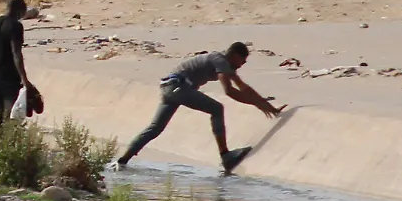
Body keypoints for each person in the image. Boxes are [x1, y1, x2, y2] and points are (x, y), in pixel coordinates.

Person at [114, 41, 286, 174]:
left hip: (170, 87)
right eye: (243, 60)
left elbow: (243, 87)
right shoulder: (220, 60)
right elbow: (230, 91)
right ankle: (226, 156)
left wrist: (266, 105)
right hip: (178, 87)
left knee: (155, 128)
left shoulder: (224, 65)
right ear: (234, 55)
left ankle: (121, 162)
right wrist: (258, 104)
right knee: (217, 109)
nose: (243, 64)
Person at [0, 0, 42, 126]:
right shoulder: (15, 26)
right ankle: (8, 143)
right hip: (8, 79)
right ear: (20, 11)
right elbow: (16, 54)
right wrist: (24, 80)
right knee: (10, 118)